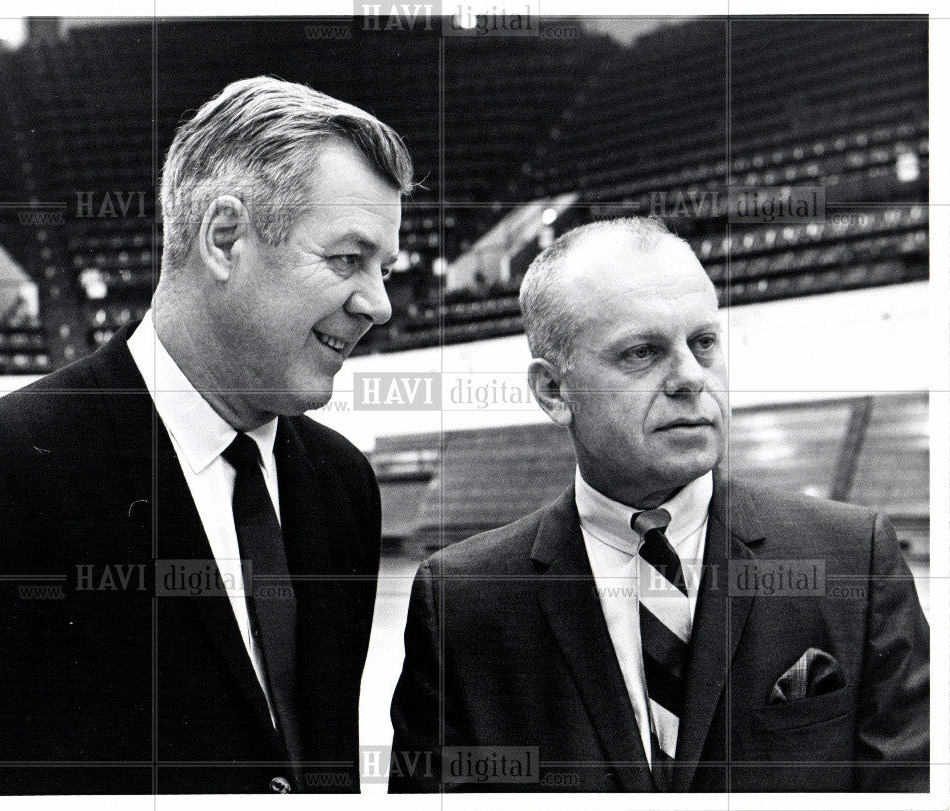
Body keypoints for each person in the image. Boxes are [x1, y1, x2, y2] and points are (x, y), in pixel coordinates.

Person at [0, 76, 413, 795]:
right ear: (225, 237)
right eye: (347, 259)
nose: (380, 305)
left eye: (384, 269)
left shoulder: (344, 485)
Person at [389, 217, 929, 793]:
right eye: (642, 352)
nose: (691, 378)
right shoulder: (462, 601)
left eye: (703, 343)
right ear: (553, 391)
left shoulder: (854, 557)